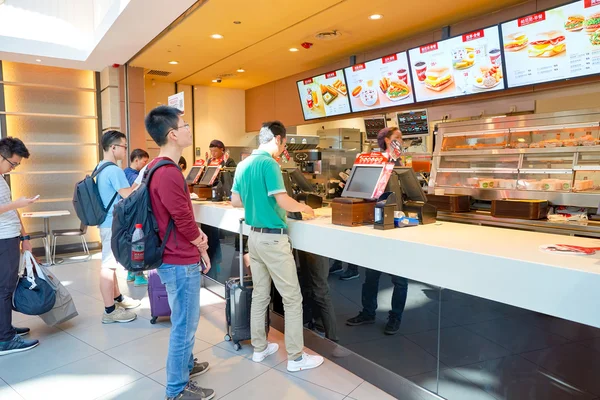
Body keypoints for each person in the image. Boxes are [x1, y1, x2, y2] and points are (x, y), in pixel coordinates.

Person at [231, 121, 324, 372]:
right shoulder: (269, 164)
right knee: (292, 298)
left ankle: (259, 349)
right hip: (273, 239)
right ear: (279, 139)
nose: (283, 148)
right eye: (284, 143)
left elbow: (235, 201)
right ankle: (295, 358)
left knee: (261, 295)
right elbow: (282, 200)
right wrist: (305, 207)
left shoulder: (243, 164)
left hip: (254, 238)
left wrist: (256, 204)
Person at [145, 106, 214, 400]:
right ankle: (177, 389)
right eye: (185, 125)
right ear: (173, 134)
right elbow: (183, 220)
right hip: (178, 258)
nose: (188, 129)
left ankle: (186, 366)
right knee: (184, 323)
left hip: (169, 254)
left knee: (183, 318)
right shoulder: (169, 172)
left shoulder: (154, 167)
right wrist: (201, 244)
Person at [345, 127, 409, 335]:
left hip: (398, 225)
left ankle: (395, 317)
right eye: (397, 138)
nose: (400, 141)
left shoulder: (402, 165)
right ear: (386, 140)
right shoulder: (374, 162)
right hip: (377, 224)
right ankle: (368, 312)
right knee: (371, 274)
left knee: (399, 278)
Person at [0, 137, 40, 356]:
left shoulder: (2, 178)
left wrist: (25, 236)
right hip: (2, 238)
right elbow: (10, 207)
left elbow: (12, 211)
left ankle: (4, 329)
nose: (13, 168)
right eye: (12, 163)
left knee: (6, 286)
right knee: (4, 289)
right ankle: (4, 339)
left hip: (10, 236)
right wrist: (17, 204)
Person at [96, 130, 141, 324]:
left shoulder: (100, 167)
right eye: (123, 146)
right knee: (108, 266)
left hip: (105, 223)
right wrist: (140, 183)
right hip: (112, 223)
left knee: (111, 265)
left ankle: (117, 299)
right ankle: (109, 311)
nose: (125, 150)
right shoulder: (114, 170)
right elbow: (128, 196)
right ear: (113, 147)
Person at [297, 251, 338, 342]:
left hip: (316, 246)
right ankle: (319, 325)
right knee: (309, 285)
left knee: (321, 291)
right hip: (305, 246)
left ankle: (333, 340)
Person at [124, 149, 150, 286]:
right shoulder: (133, 176)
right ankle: (138, 274)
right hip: (134, 214)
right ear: (136, 160)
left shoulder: (126, 172)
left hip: (128, 215)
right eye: (145, 161)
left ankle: (131, 273)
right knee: (138, 243)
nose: (146, 164)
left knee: (133, 243)